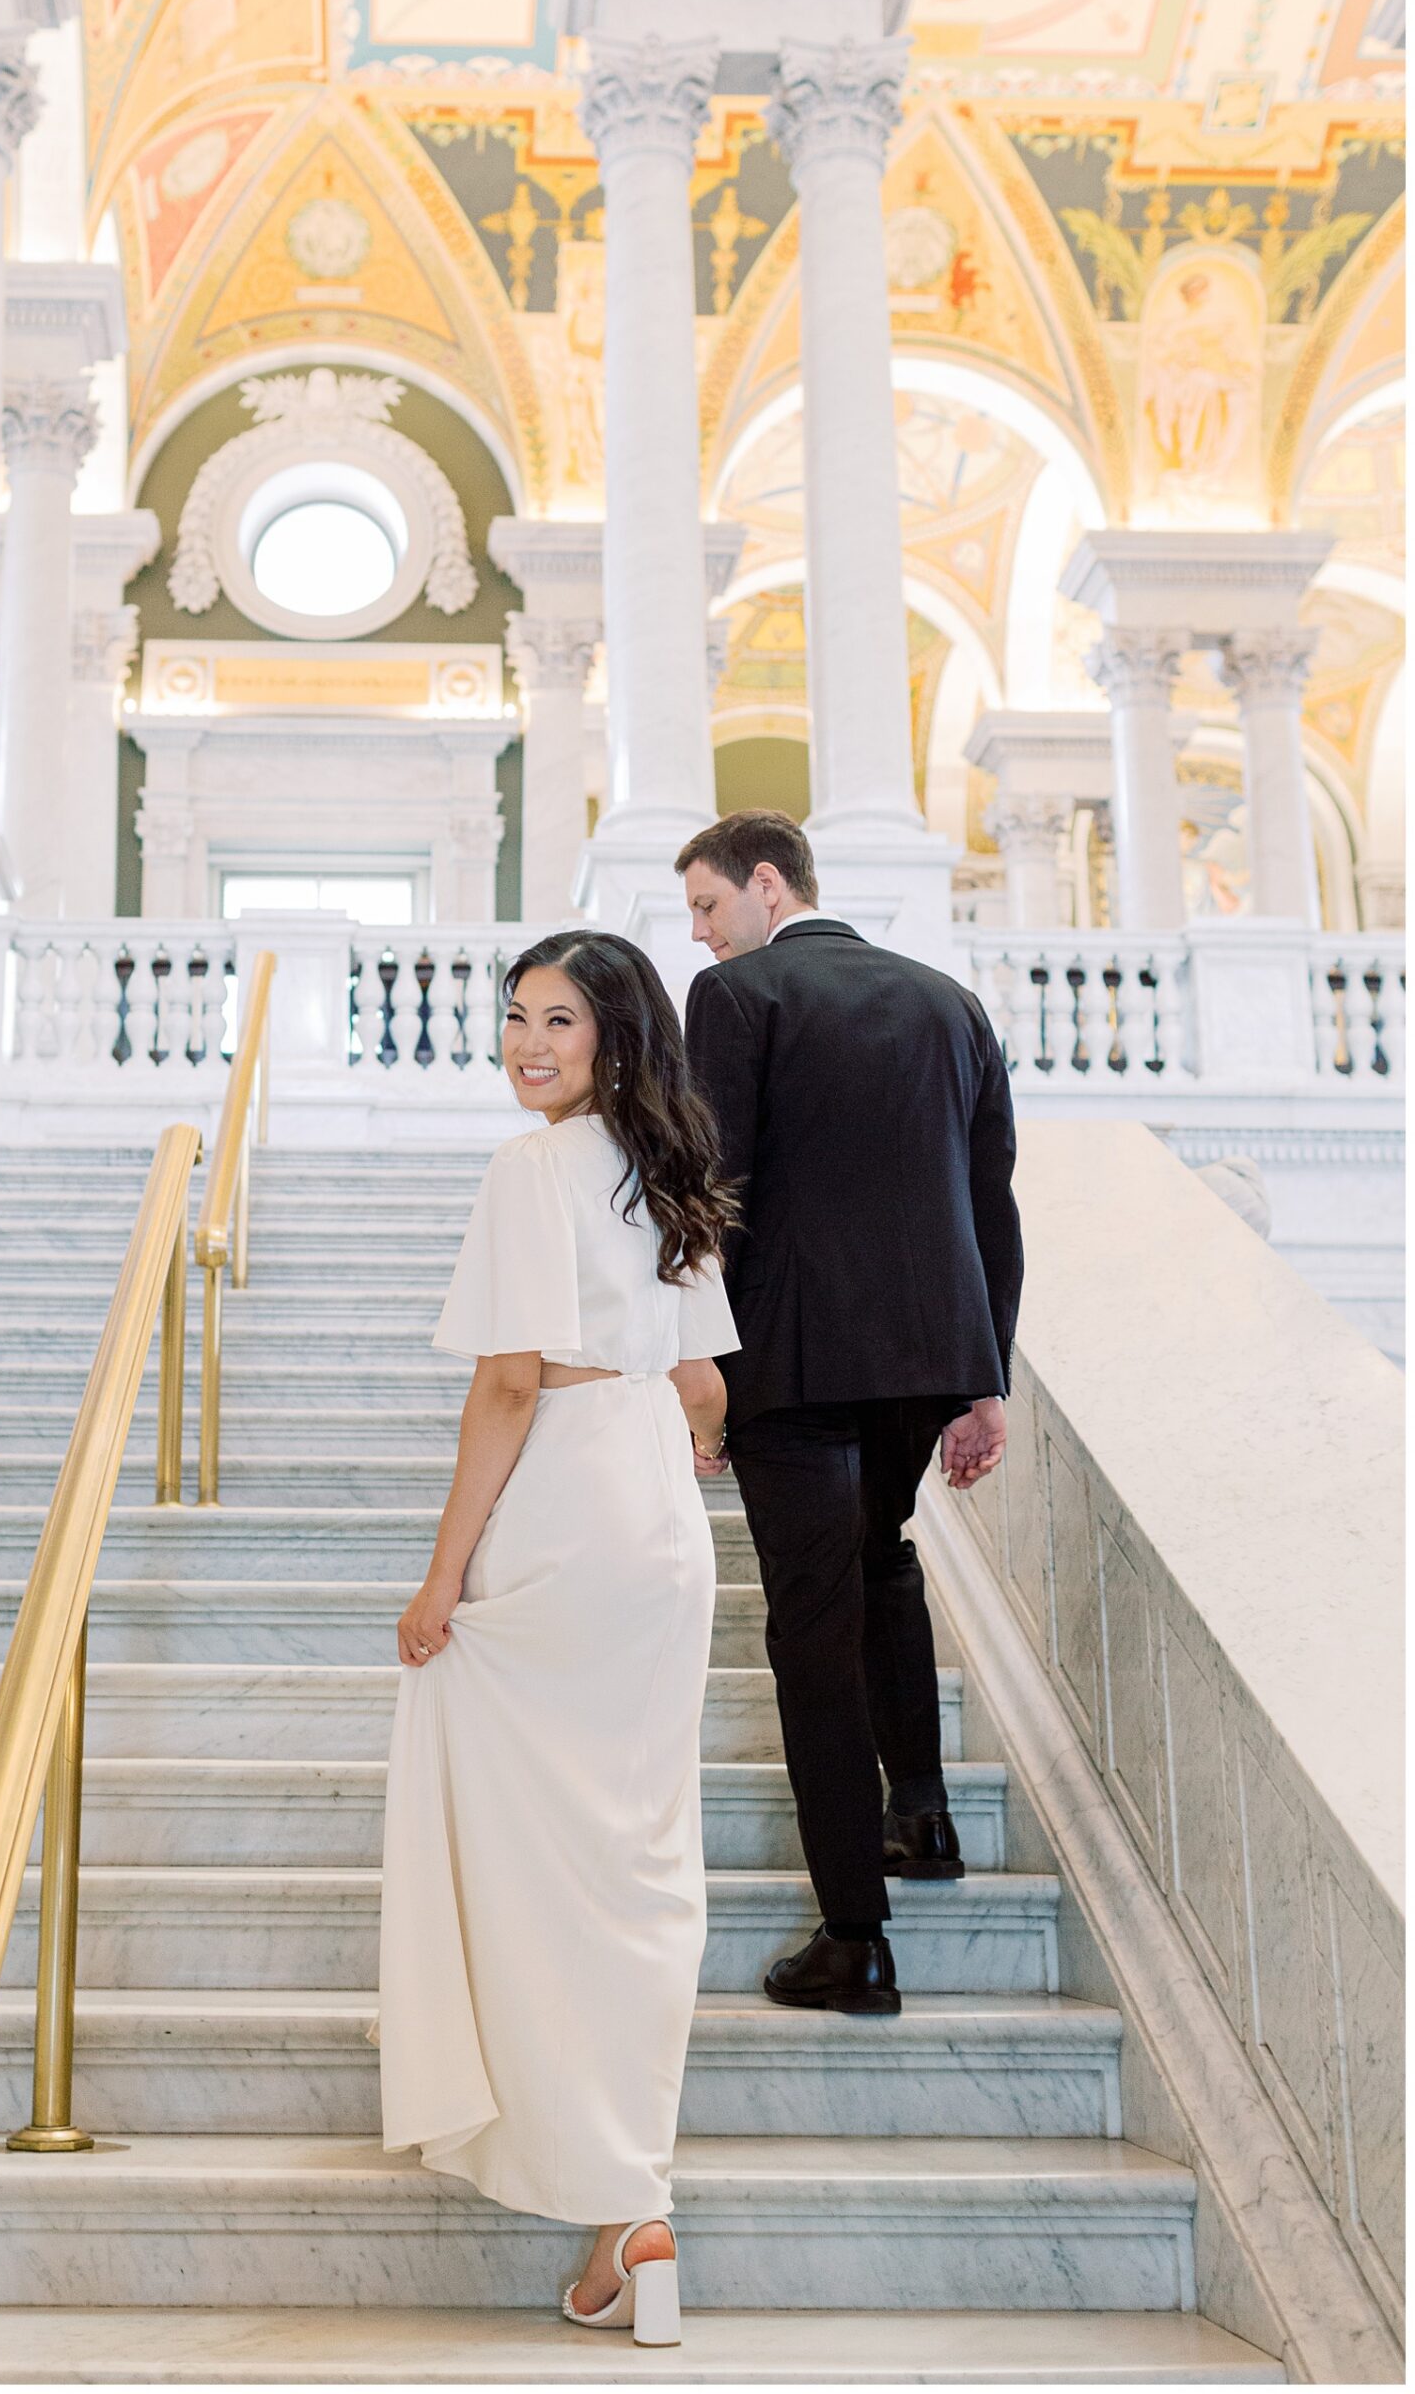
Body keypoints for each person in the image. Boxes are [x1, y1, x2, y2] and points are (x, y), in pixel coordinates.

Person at [377, 930, 739, 2346]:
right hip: (654, 1506)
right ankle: (628, 2203)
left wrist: (440, 1576)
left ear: (614, 1038)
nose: (530, 1045)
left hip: (566, 1506)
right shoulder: (664, 1169)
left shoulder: (530, 1169)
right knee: (639, 1855)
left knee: (526, 1833)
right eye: (516, 1018)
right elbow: (704, 1380)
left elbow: (511, 1390)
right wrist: (672, 1444)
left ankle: (601, 2173)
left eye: (560, 1022)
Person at [677, 810, 1022, 2017]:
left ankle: (852, 1936)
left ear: (766, 884)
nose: (705, 938)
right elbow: (990, 1200)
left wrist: (696, 1363)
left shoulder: (737, 999)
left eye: (708, 909)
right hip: (927, 1354)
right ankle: (919, 1815)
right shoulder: (945, 999)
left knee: (808, 1620)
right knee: (879, 1559)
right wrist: (984, 1377)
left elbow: (712, 1188)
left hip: (791, 1359)